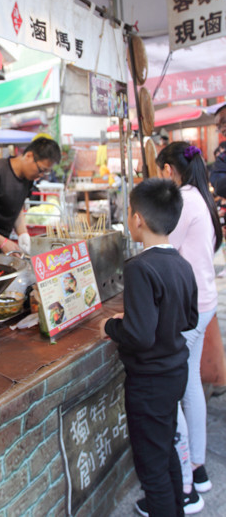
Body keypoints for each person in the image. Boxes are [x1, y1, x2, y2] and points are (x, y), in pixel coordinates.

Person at [99, 178, 199, 517]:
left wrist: (111, 325)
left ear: (137, 218)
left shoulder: (140, 267)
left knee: (151, 469)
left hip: (149, 383)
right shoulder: (182, 265)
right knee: (164, 447)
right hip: (175, 374)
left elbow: (140, 336)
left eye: (129, 212)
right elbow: (189, 318)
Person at [155, 141, 223, 512]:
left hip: (187, 311)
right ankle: (197, 468)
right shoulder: (202, 196)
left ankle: (184, 488)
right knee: (191, 384)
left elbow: (160, 246)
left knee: (172, 388)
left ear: (167, 170)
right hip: (205, 303)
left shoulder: (180, 202)